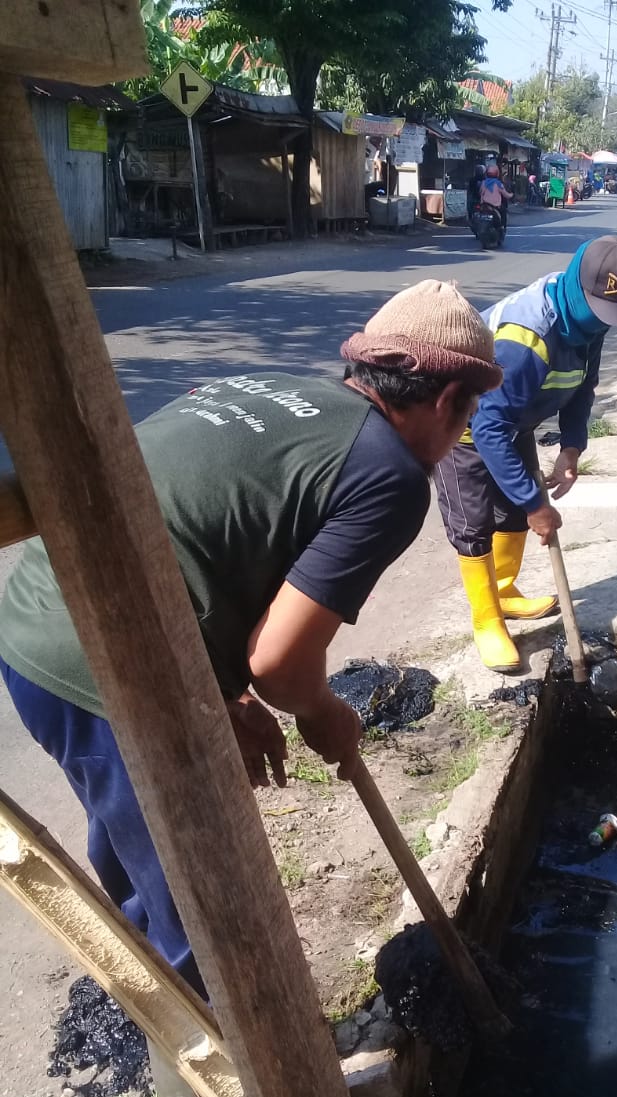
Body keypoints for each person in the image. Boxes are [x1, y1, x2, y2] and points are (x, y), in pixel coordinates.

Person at [0, 279, 502, 995]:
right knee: (202, 904)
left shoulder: (269, 387)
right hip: (102, 664)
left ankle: (185, 1024)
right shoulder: (390, 475)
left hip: (36, 618)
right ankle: (245, 1083)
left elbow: (200, 541)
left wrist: (221, 693)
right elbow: (280, 663)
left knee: (146, 862)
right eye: (468, 415)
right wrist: (323, 713)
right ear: (448, 401)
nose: (461, 436)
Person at [435, 236, 617, 672]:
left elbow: (583, 387)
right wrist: (538, 507)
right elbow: (488, 428)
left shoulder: (591, 324)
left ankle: (506, 591)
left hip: (512, 422)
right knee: (473, 523)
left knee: (514, 510)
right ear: (576, 287)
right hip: (466, 428)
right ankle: (487, 620)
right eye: (598, 312)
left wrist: (571, 450)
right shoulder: (526, 337)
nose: (601, 324)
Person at [479, 162, 514, 245]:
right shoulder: (498, 184)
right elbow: (506, 194)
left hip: (484, 205)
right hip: (495, 206)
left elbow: (481, 192)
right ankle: (502, 227)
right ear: (497, 173)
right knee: (503, 213)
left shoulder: (484, 183)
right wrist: (511, 195)